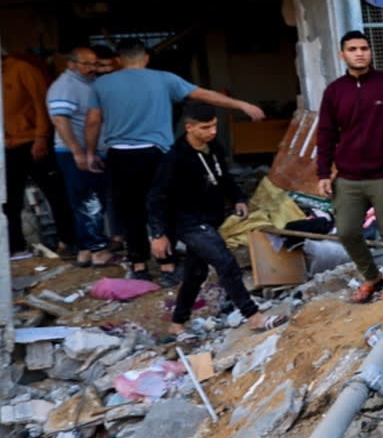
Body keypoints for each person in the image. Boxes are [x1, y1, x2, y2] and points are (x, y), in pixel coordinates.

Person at [87, 41, 265, 280]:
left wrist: (89, 152)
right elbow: (203, 94)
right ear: (147, 58)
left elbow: (92, 122)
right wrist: (241, 104)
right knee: (165, 206)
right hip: (157, 153)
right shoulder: (164, 79)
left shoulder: (101, 83)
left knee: (130, 210)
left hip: (119, 154)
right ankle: (167, 266)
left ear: (118, 60)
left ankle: (139, 265)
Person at [148, 101, 276, 334]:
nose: (212, 132)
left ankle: (177, 324)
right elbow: (156, 197)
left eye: (214, 126)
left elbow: (224, 177)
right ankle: (253, 315)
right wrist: (158, 233)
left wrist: (238, 198)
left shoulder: (214, 147)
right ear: (189, 128)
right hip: (187, 222)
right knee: (225, 262)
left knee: (196, 273)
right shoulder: (175, 158)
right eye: (205, 128)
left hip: (210, 218)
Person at [315, 30, 383, 302]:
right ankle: (372, 276)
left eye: (364, 48)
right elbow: (325, 134)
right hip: (347, 178)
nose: (359, 53)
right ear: (342, 54)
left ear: (371, 52)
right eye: (353, 49)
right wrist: (323, 173)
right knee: (346, 231)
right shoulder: (335, 91)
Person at [45, 46, 112, 266]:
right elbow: (60, 120)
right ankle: (97, 250)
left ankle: (86, 249)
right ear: (71, 64)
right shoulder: (65, 86)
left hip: (91, 150)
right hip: (76, 152)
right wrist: (78, 151)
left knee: (89, 199)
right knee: (88, 200)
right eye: (87, 64)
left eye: (95, 63)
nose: (93, 68)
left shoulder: (88, 84)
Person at [1, 50, 71, 258]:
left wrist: (41, 137)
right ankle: (15, 246)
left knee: (55, 194)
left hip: (32, 141)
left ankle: (68, 240)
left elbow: (42, 103)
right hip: (5, 144)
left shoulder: (23, 69)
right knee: (8, 201)